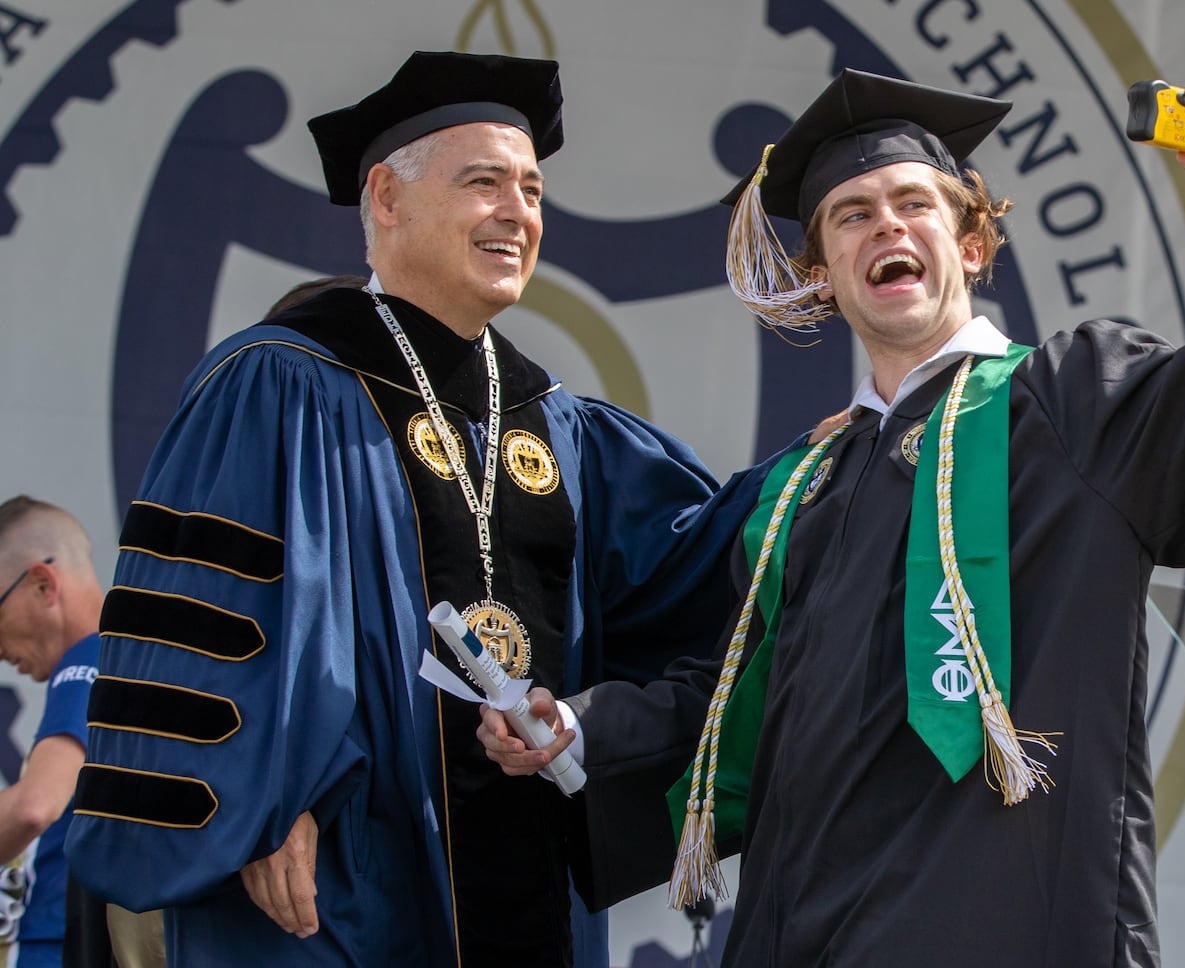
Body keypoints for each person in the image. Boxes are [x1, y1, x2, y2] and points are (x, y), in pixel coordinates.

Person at [479, 70, 1185, 966]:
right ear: (823, 271)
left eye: (914, 205)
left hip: (1008, 917)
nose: (882, 226)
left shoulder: (1075, 403)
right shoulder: (800, 489)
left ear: (973, 245)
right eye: (850, 215)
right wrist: (575, 724)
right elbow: (744, 702)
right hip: (806, 926)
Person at [64, 51, 771, 966]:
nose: (518, 212)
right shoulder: (278, 384)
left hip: (528, 875)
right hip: (340, 874)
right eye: (484, 182)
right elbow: (203, 633)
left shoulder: (557, 423)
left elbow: (693, 569)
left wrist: (832, 460)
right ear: (387, 201)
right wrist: (255, 808)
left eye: (532, 189)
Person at [0, 498, 102, 968]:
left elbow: (35, 806)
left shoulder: (90, 660)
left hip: (52, 950)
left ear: (43, 583)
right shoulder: (116, 662)